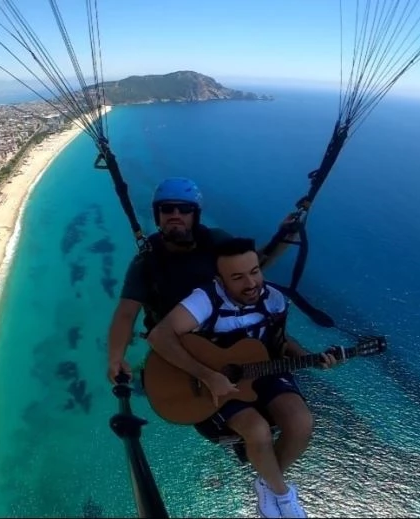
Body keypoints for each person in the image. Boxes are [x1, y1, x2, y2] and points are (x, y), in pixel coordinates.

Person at [146, 237, 337, 519]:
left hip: (261, 368)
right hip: (211, 378)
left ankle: (267, 483)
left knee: (301, 423)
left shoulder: (273, 300)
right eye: (237, 277)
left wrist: (311, 358)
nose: (250, 284)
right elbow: (159, 336)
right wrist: (208, 375)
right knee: (257, 430)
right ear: (220, 281)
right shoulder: (204, 300)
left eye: (254, 272)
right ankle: (283, 496)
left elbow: (281, 342)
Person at [107, 177, 297, 383]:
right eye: (167, 209)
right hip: (185, 346)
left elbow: (251, 266)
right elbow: (126, 313)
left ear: (195, 214)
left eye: (184, 209)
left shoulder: (215, 241)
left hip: (231, 332)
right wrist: (116, 358)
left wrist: (285, 235)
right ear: (158, 215)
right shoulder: (147, 261)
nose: (175, 215)